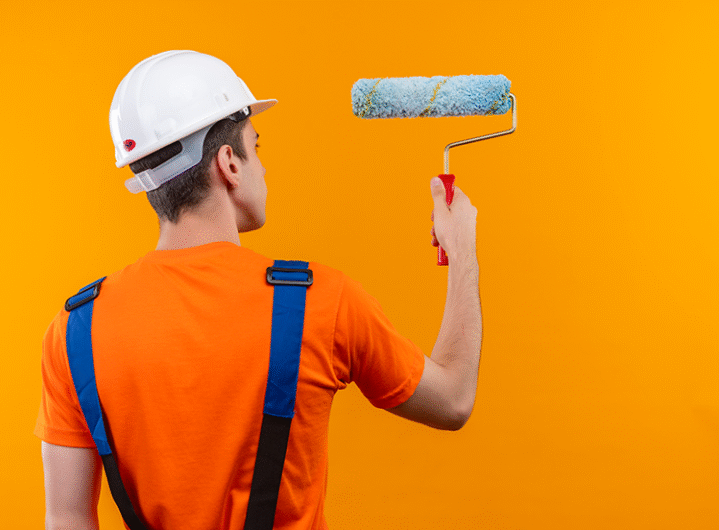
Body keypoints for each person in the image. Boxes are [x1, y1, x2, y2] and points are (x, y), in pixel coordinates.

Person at [35, 50, 482, 530]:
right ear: (228, 162)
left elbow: (67, 518)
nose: (263, 169)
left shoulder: (75, 329)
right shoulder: (320, 301)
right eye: (257, 146)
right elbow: (453, 400)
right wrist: (463, 252)